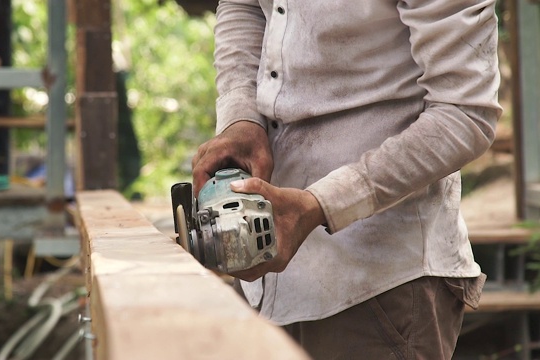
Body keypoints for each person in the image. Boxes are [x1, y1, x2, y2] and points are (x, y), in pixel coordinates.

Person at [191, 0, 501, 358]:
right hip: (264, 286)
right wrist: (240, 115)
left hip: (378, 286)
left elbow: (464, 114)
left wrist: (320, 204)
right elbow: (243, 4)